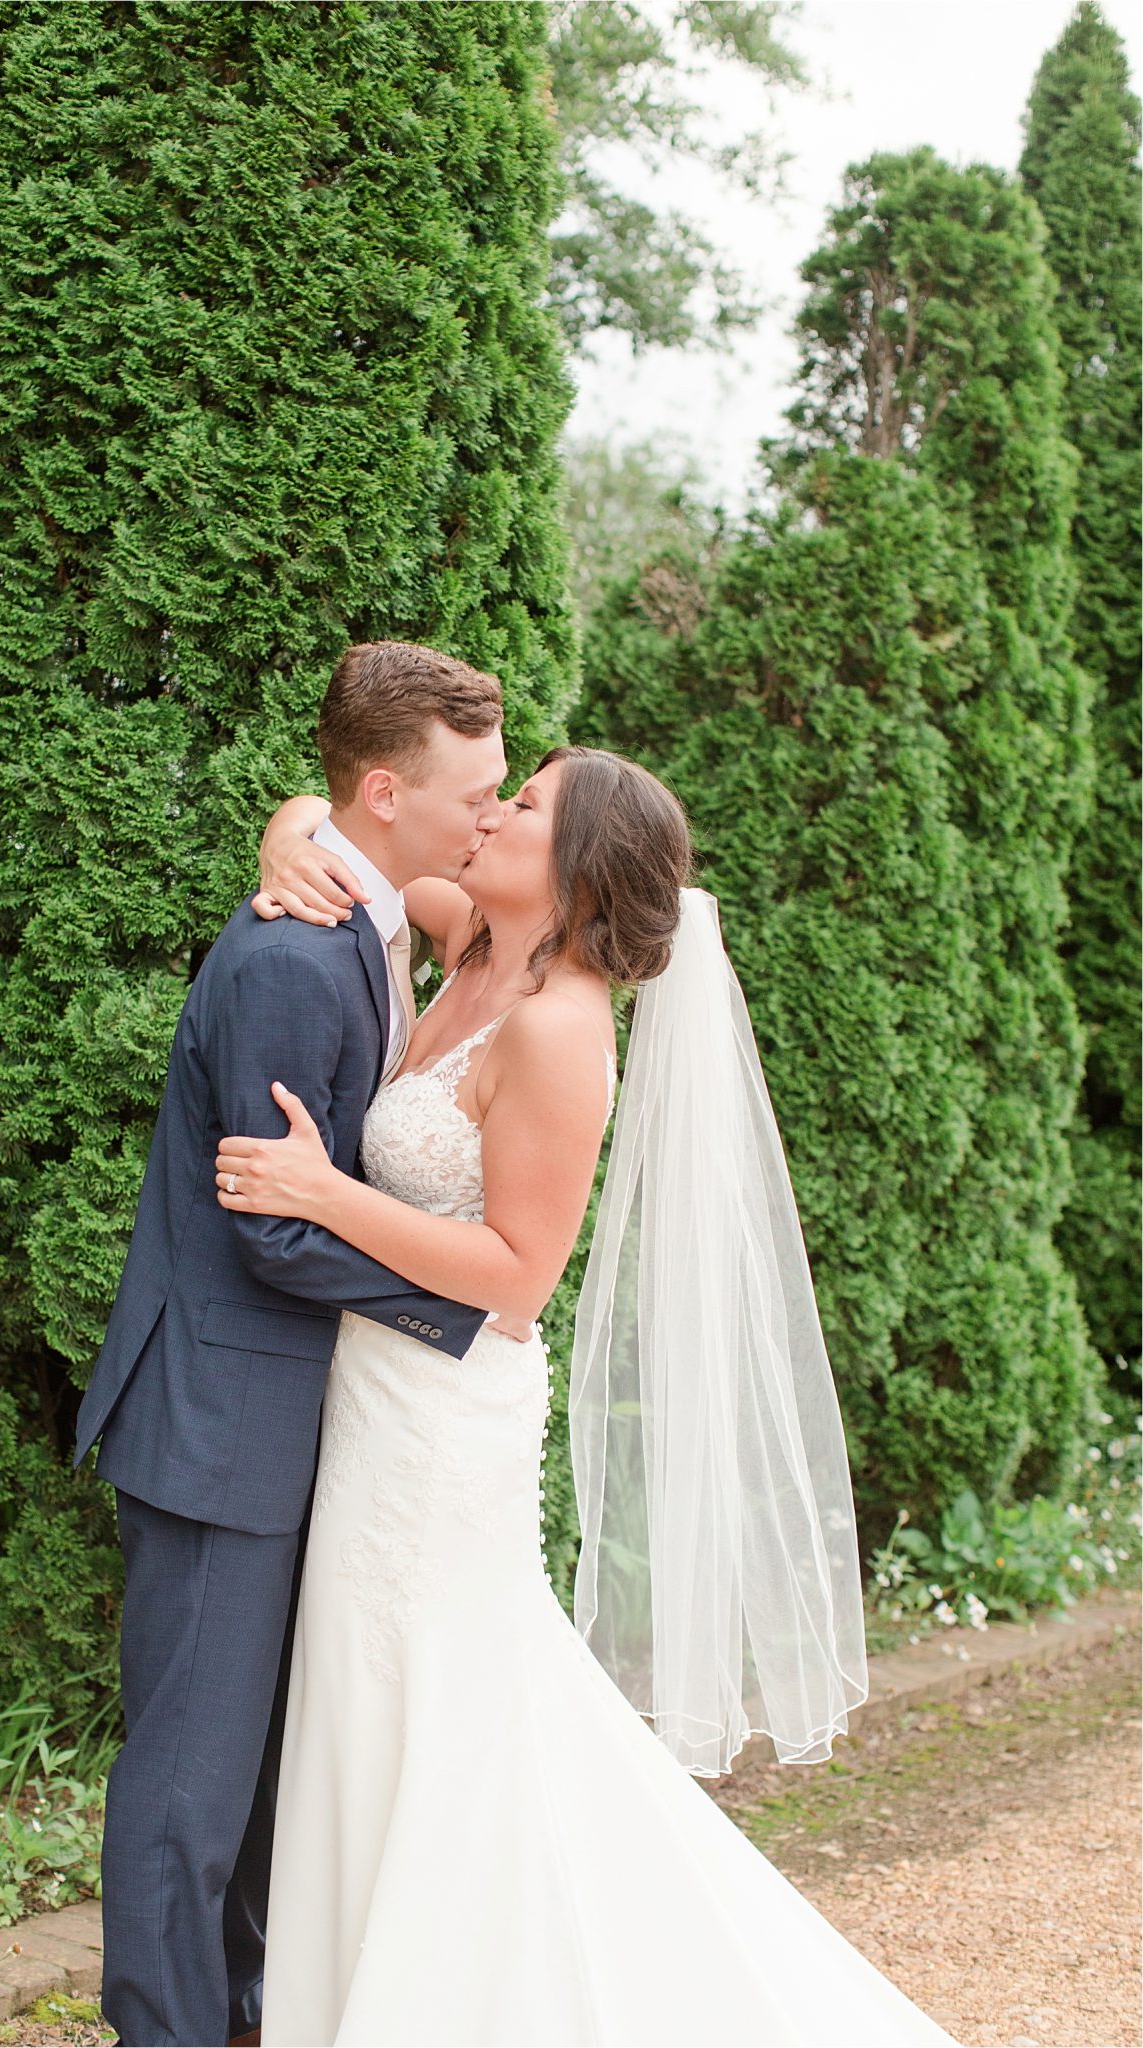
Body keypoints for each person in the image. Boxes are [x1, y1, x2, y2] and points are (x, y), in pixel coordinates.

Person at [212, 746, 966, 2048]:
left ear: (572, 871)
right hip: (371, 1400)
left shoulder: (559, 1026)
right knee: (364, 1703)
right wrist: (292, 828)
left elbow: (518, 1277)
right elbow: (349, 835)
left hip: (443, 1427)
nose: (494, 812)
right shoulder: (474, 940)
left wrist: (328, 1195)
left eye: (526, 806)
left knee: (439, 1708)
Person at [71, 640, 523, 2048]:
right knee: (189, 1788)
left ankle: (249, 2011)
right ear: (386, 794)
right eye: (473, 796)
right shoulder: (289, 952)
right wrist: (463, 1313)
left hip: (291, 1419)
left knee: (260, 1780)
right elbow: (268, 1222)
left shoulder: (378, 920)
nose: (490, 820)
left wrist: (296, 821)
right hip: (220, 1420)